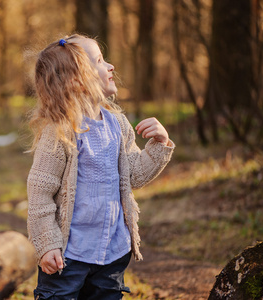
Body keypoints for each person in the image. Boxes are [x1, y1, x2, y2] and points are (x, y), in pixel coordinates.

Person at [27, 34, 175, 300]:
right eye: (99, 61)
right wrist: (47, 244)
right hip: (67, 257)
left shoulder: (117, 124)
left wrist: (159, 143)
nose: (110, 67)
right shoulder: (60, 132)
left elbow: (134, 175)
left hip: (111, 253)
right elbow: (39, 193)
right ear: (76, 79)